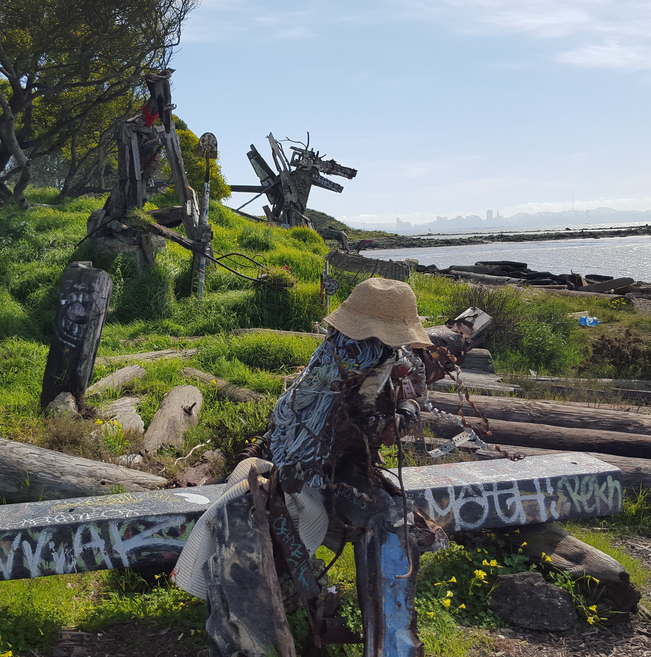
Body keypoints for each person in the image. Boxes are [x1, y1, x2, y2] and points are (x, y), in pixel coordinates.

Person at [174, 277, 451, 657]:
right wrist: (408, 411)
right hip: (323, 468)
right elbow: (374, 428)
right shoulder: (373, 362)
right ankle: (391, 642)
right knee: (392, 521)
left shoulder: (334, 350)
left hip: (300, 457)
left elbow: (299, 412)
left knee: (387, 518)